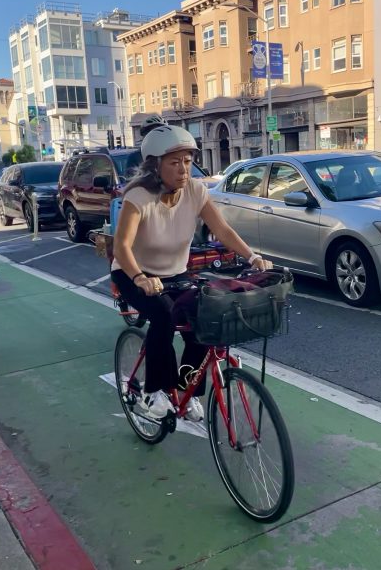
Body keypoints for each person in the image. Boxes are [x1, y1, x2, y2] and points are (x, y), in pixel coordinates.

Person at [111, 125, 270, 421]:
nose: (184, 169)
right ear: (154, 166)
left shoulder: (196, 191)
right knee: (163, 315)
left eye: (187, 161)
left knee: (204, 322)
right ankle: (152, 391)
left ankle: (186, 391)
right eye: (174, 162)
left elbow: (222, 229)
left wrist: (252, 256)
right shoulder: (140, 196)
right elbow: (122, 245)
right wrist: (139, 278)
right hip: (134, 271)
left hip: (175, 273)